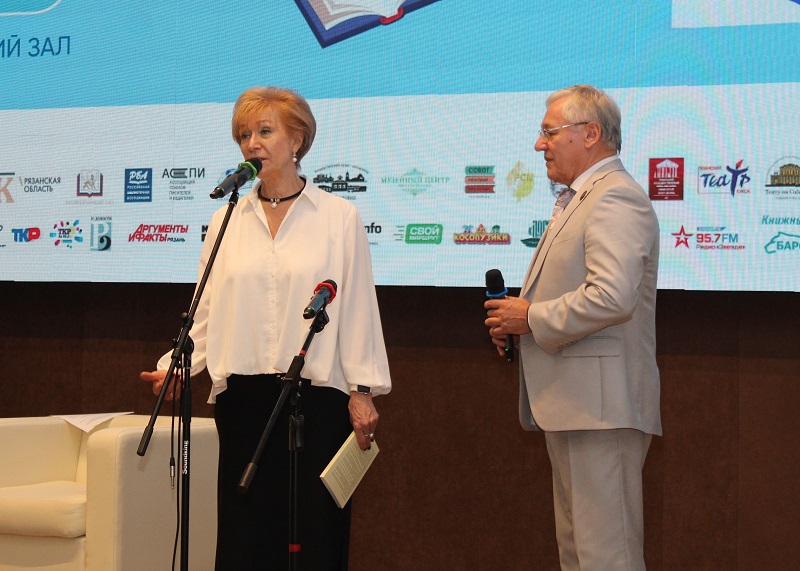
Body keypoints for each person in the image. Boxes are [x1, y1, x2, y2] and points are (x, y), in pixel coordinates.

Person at [140, 86, 391, 570]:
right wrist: (177, 366)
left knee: (315, 535)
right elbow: (205, 308)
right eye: (244, 135)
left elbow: (358, 305)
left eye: (264, 131)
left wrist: (362, 390)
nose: (251, 143)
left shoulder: (338, 216)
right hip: (244, 400)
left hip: (317, 400)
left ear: (297, 140)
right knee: (247, 538)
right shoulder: (226, 218)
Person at [484, 85, 660, 570]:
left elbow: (612, 296)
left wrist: (530, 317)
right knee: (580, 557)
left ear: (591, 134)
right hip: (576, 406)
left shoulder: (614, 197)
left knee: (608, 558)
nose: (538, 144)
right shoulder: (579, 198)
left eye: (549, 132)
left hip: (600, 409)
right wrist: (520, 322)